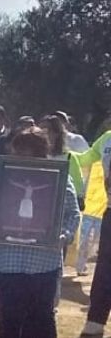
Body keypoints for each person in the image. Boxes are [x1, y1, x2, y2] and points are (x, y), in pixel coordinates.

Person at [0, 127, 80, 338]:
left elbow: (73, 215)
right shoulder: (4, 176)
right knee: (8, 322)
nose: (24, 155)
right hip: (8, 263)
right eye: (20, 150)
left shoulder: (59, 177)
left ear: (42, 151)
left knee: (42, 322)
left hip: (44, 263)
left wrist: (63, 236)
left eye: (31, 150)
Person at [76, 126, 111, 337]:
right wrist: (61, 153)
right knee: (105, 270)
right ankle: (95, 323)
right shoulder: (107, 137)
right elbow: (85, 159)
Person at [76, 161, 107, 276]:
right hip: (91, 211)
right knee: (86, 241)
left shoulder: (95, 165)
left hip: (100, 211)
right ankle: (80, 266)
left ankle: (82, 266)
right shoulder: (94, 165)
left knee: (93, 243)